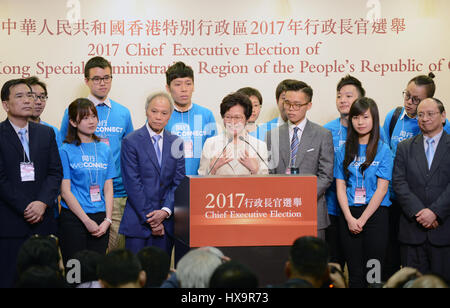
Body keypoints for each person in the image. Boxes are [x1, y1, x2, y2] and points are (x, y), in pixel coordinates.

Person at [60, 57, 134, 252]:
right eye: (96, 79)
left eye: (106, 78)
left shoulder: (123, 113)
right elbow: (62, 154)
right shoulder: (72, 112)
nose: (102, 83)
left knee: (111, 256)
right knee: (78, 262)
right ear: (87, 81)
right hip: (77, 199)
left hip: (115, 195)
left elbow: (129, 153)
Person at [383, 73, 448, 279]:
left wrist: (435, 212)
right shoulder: (404, 146)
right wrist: (419, 211)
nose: (424, 118)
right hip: (411, 227)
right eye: (421, 114)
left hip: (444, 229)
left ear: (443, 116)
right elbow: (399, 181)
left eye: (430, 114)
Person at [0, 78, 62, 288]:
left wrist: (42, 203)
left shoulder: (46, 133)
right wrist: (27, 206)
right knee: (9, 279)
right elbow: (1, 179)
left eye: (30, 95)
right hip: (10, 223)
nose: (28, 100)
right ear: (5, 104)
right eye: (20, 96)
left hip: (43, 222)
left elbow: (55, 173)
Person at [334, 97, 393, 288]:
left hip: (375, 215)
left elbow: (382, 189)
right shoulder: (343, 150)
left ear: (374, 119)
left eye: (365, 117)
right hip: (349, 214)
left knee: (373, 274)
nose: (360, 122)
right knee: (355, 273)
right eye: (356, 117)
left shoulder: (383, 150)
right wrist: (350, 218)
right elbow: (341, 186)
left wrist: (363, 219)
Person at [266, 80, 334, 239]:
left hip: (312, 209)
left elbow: (326, 176)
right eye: (287, 103)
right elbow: (269, 173)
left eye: (297, 104)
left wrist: (302, 197)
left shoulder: (322, 134)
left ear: (308, 105)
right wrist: (283, 199)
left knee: (313, 262)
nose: (291, 108)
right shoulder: (272, 135)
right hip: (281, 211)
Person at [119, 92, 185, 256]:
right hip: (138, 223)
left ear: (170, 115)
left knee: (160, 276)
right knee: (134, 277)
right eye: (154, 111)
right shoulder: (131, 141)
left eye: (164, 113)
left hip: (167, 224)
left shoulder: (176, 142)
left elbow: (178, 182)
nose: (158, 117)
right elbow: (132, 183)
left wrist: (164, 211)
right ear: (146, 111)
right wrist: (153, 220)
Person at [59, 98, 116, 264]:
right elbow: (65, 191)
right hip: (74, 219)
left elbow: (108, 187)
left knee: (96, 271)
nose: (91, 121)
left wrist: (108, 220)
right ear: (73, 122)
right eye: (85, 118)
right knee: (75, 270)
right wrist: (86, 221)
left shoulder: (104, 148)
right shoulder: (65, 150)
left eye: (93, 116)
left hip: (100, 218)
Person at [324, 75, 366, 268]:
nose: (342, 100)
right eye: (339, 95)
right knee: (334, 265)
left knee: (363, 266)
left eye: (349, 96)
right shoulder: (325, 131)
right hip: (332, 208)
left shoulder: (374, 131)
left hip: (364, 210)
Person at [165, 61, 217, 176]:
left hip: (200, 183)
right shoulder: (161, 115)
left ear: (193, 86)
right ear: (168, 88)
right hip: (168, 185)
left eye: (188, 84)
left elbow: (214, 154)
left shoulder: (206, 115)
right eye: (177, 84)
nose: (184, 89)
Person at [198, 92, 269, 175]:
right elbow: (201, 178)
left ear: (247, 118)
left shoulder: (259, 146)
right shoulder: (210, 143)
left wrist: (255, 170)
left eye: (237, 117)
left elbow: (265, 183)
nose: (232, 122)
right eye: (228, 117)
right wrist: (213, 168)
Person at [26, 76, 62, 148]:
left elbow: (58, 158)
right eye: (33, 96)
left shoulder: (53, 131)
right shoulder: (11, 129)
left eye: (42, 97)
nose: (39, 102)